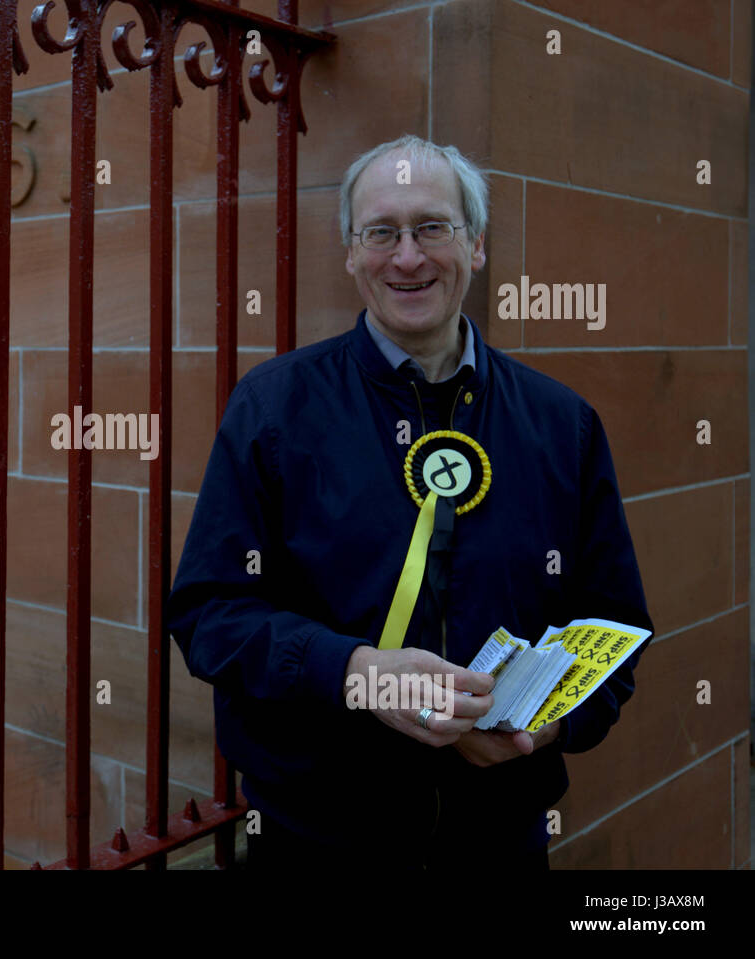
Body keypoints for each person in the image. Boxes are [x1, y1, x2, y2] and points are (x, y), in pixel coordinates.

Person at [165, 134, 652, 872]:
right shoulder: (273, 409)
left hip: (500, 838)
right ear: (352, 253)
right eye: (381, 233)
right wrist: (356, 671)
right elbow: (209, 615)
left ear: (476, 245)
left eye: (432, 227)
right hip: (317, 842)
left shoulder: (563, 423)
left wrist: (542, 726)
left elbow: (614, 628)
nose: (408, 257)